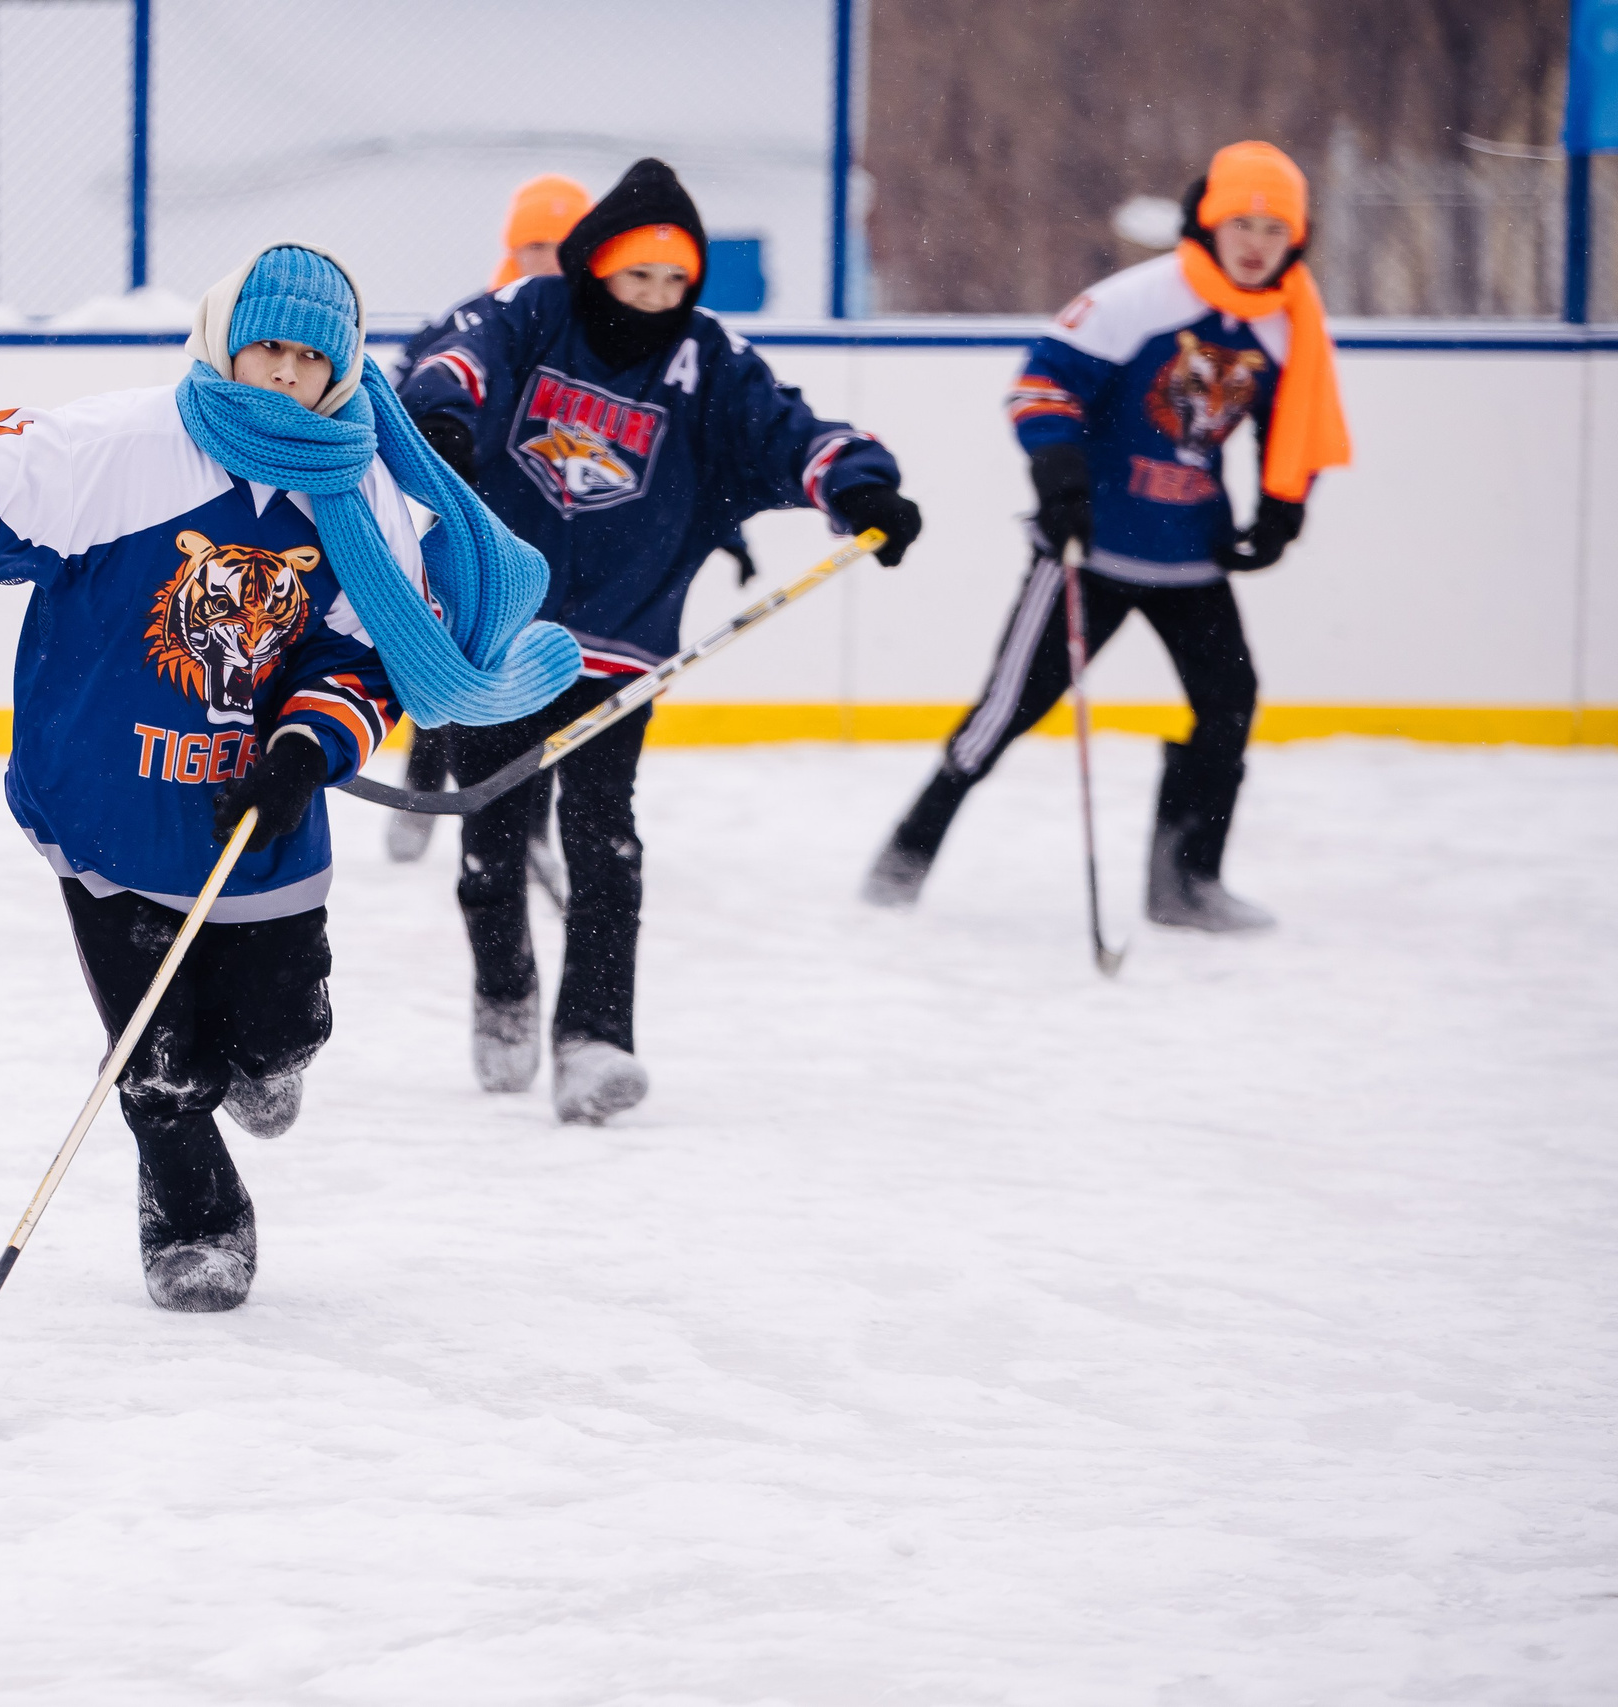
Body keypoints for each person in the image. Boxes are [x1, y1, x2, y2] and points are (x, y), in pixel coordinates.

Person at [0, 245, 573, 1313]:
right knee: (162, 1064)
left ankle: (272, 1050)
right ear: (225, 339)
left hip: (256, 819)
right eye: (265, 347)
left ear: (343, 369)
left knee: (278, 1032)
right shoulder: (130, 446)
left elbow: (366, 656)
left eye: (309, 360)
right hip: (104, 808)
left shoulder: (361, 486)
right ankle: (194, 1219)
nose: (282, 374)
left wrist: (304, 750)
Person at [397, 158, 925, 1124]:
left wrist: (859, 483)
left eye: (673, 282)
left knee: (607, 840)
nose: (653, 298)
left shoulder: (709, 357)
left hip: (624, 636)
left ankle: (595, 1037)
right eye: (637, 277)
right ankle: (504, 985)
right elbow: (456, 359)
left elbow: (792, 430)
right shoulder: (534, 310)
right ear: (597, 265)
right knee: (496, 833)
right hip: (501, 627)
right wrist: (443, 420)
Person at [862, 140, 1349, 931]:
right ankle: (906, 855)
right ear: (1207, 224)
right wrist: (1059, 481)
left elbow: (1293, 427)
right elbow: (1042, 385)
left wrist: (1281, 510)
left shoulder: (1289, 322)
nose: (1257, 242)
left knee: (1229, 704)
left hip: (1192, 555)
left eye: (1274, 227)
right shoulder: (1140, 299)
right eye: (1242, 223)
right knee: (1006, 711)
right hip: (1091, 550)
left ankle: (1186, 881)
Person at [385, 172, 593, 876]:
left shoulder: (593, 331)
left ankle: (526, 818)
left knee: (531, 675)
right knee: (454, 651)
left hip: (554, 524)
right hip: (477, 518)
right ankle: (421, 779)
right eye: (534, 244)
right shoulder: (480, 316)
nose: (550, 259)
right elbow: (416, 375)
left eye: (564, 244)